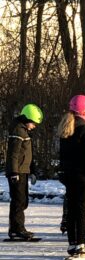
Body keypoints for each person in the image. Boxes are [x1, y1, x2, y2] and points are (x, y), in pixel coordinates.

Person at [57, 95, 85, 259]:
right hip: (83, 177)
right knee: (81, 211)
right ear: (84, 111)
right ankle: (81, 244)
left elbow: (62, 156)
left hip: (69, 176)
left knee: (72, 210)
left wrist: (62, 172)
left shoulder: (66, 127)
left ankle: (72, 243)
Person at [5, 102, 43, 241]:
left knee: (22, 201)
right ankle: (16, 230)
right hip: (17, 171)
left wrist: (32, 170)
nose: (34, 126)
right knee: (18, 200)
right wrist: (14, 172)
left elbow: (27, 154)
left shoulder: (23, 131)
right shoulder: (18, 131)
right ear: (27, 119)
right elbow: (13, 154)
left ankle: (17, 228)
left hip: (23, 170)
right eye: (33, 123)